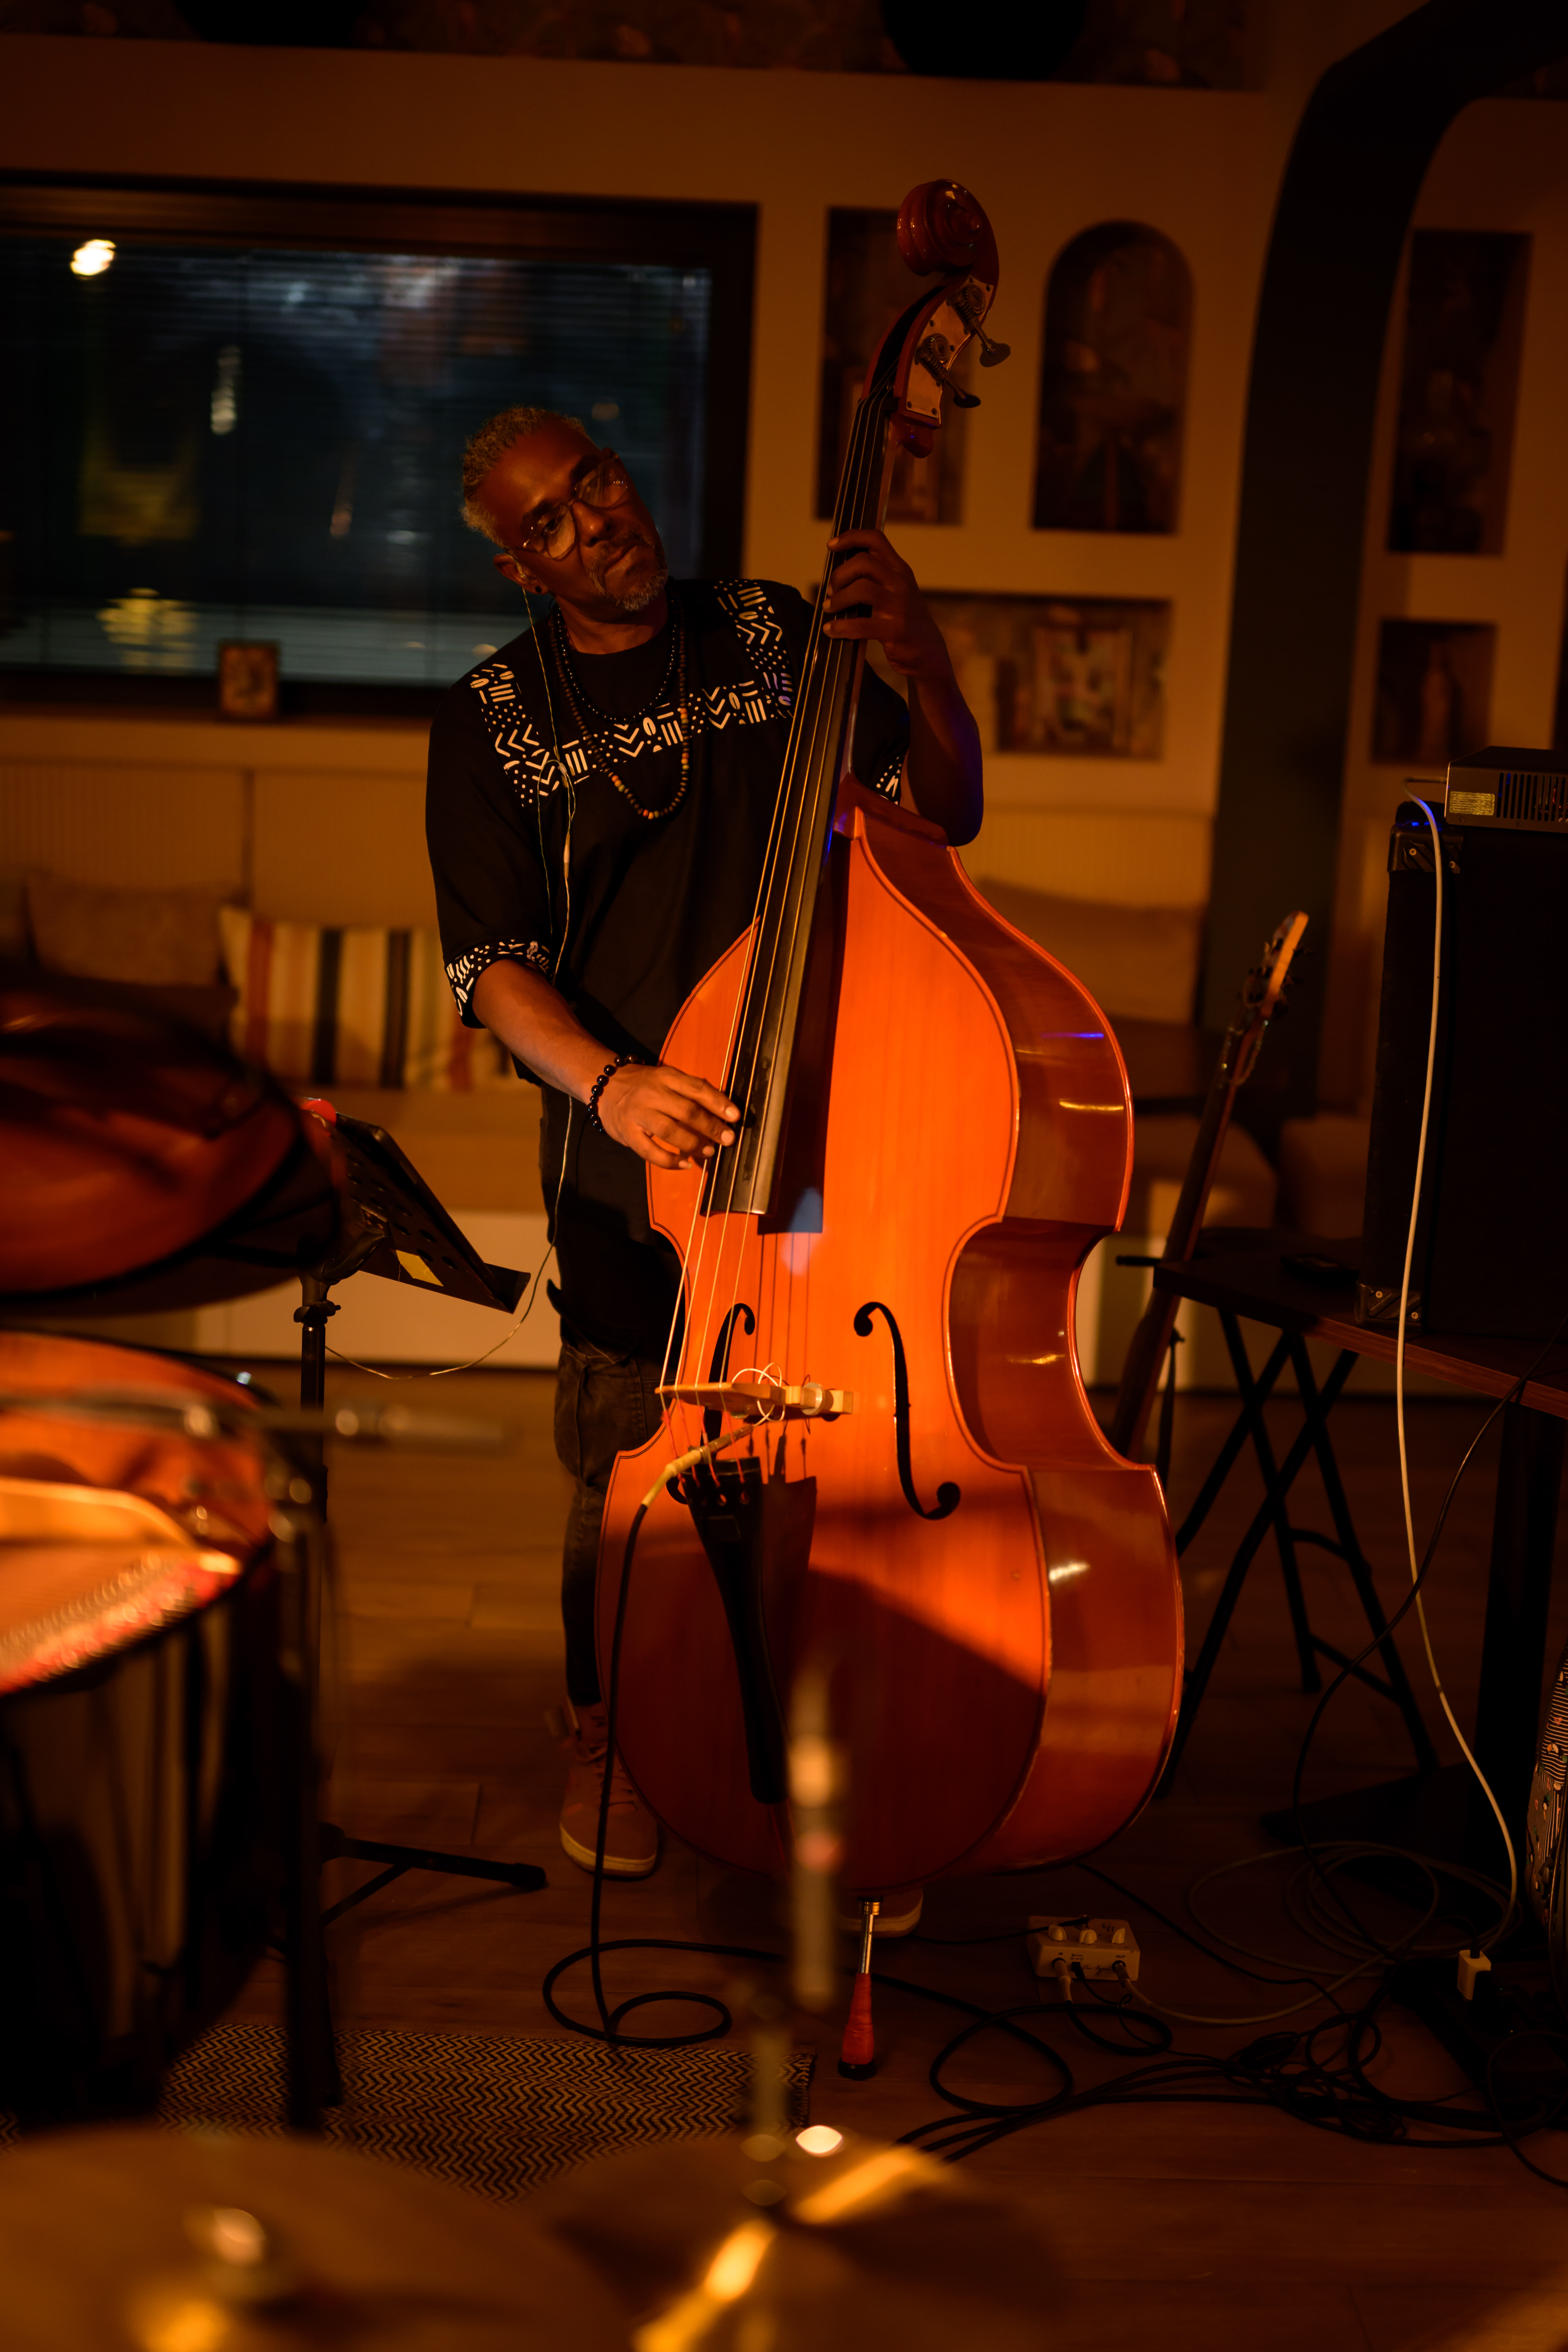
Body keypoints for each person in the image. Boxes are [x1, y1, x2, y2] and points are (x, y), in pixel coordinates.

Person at [426, 405, 982, 1879]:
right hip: (634, 1162)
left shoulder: (770, 631)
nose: (595, 521)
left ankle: (829, 1731)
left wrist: (926, 662)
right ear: (520, 566)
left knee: (842, 1461)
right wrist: (608, 1084)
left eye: (596, 480)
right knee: (627, 1459)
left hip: (825, 1126)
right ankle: (608, 1728)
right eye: (549, 522)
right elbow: (490, 967)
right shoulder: (491, 718)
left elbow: (948, 811)